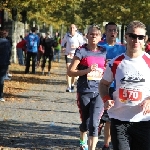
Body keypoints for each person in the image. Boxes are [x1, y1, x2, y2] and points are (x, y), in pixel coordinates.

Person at [99, 20, 150, 150]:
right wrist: (106, 99)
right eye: (132, 36)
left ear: (145, 39)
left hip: (144, 121)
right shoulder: (116, 62)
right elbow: (104, 84)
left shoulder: (148, 62)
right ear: (126, 37)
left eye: (140, 37)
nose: (136, 40)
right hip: (119, 120)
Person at [68, 25, 105, 150]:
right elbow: (70, 72)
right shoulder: (81, 51)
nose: (94, 36)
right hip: (84, 90)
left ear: (100, 37)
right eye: (91, 34)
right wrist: (87, 71)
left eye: (96, 34)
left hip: (99, 91)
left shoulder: (103, 51)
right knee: (85, 122)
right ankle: (82, 139)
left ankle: (91, 148)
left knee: (94, 123)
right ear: (86, 36)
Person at [98, 22, 126, 150]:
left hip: (115, 86)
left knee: (110, 117)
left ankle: (106, 144)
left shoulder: (122, 48)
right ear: (106, 32)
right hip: (99, 84)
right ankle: (94, 129)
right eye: (110, 30)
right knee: (97, 115)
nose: (112, 32)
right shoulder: (99, 46)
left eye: (114, 30)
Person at [61, 24, 84, 92]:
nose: (72, 29)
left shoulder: (78, 36)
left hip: (76, 55)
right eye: (70, 27)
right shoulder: (67, 35)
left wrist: (77, 46)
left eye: (73, 27)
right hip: (68, 54)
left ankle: (72, 84)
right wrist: (63, 47)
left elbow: (82, 45)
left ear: (76, 29)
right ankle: (68, 86)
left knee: (73, 70)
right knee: (68, 69)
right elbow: (63, 42)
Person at [0, 29, 11, 101]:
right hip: (4, 62)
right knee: (1, 79)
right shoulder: (7, 42)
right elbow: (9, 53)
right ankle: (0, 95)